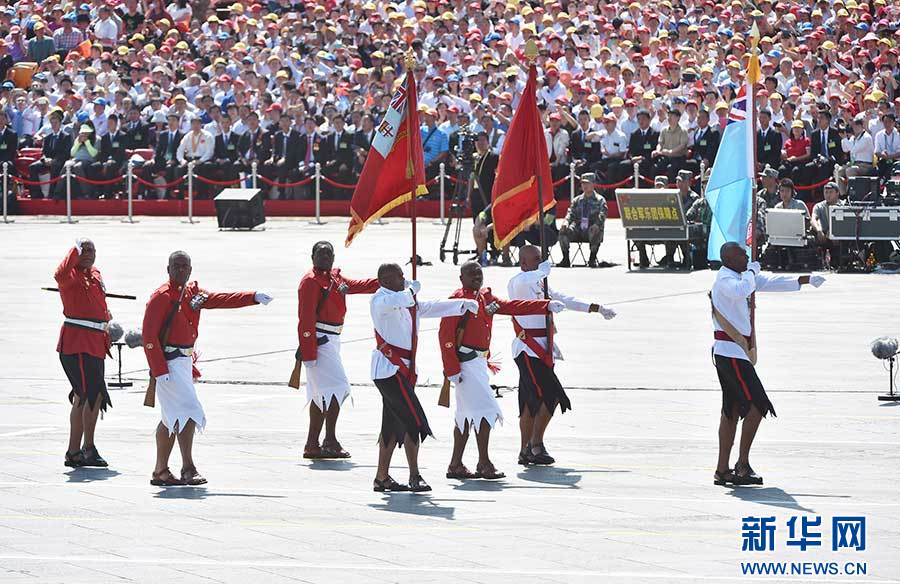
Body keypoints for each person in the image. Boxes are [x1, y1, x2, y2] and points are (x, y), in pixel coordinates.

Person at [142, 251, 273, 486]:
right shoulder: (161, 296)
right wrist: (160, 372)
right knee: (190, 411)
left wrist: (252, 297)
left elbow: (223, 299)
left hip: (183, 362)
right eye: (176, 266)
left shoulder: (192, 293)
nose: (181, 270)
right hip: (168, 364)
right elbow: (149, 337)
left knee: (169, 417)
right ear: (168, 269)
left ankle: (160, 471)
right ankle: (188, 468)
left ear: (191, 270)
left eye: (185, 266)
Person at [711, 242, 825, 486]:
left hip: (734, 353)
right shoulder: (727, 279)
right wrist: (752, 271)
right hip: (731, 352)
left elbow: (771, 282)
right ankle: (742, 465)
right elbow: (743, 289)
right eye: (742, 255)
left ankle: (722, 470)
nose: (747, 256)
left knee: (730, 411)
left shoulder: (742, 275)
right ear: (729, 259)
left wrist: (806, 279)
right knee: (757, 406)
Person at [439, 261, 565, 481]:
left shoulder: (485, 297)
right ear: (462, 278)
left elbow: (512, 306)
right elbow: (445, 337)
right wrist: (451, 369)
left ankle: (456, 464)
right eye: (471, 274)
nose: (477, 277)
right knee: (487, 411)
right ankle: (484, 463)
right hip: (465, 364)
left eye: (479, 273)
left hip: (478, 363)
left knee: (465, 417)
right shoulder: (458, 299)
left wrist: (544, 306)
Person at [369, 264, 478, 492]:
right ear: (387, 281)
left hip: (404, 370)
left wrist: (461, 305)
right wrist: (410, 291)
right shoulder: (381, 300)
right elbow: (402, 301)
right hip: (389, 370)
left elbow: (428, 307)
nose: (404, 280)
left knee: (390, 424)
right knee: (414, 421)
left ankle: (381, 477)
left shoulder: (404, 298)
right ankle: (414, 475)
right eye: (400, 277)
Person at [507, 247, 615, 465]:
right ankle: (535, 445)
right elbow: (525, 281)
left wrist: (596, 308)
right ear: (524, 264)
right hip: (528, 349)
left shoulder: (539, 283)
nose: (540, 262)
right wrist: (540, 272)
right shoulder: (518, 282)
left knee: (530, 402)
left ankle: (525, 450)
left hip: (543, 350)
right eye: (535, 260)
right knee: (552, 395)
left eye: (541, 259)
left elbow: (567, 299)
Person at [296, 241, 379, 460]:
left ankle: (313, 444)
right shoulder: (310, 282)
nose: (325, 257)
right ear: (312, 256)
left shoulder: (335, 278)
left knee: (320, 393)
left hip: (333, 339)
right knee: (339, 387)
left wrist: (389, 282)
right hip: (319, 340)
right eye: (321, 254)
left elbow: (360, 285)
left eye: (328, 254)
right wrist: (309, 352)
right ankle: (329, 440)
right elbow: (305, 319)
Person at [55, 239, 112, 469]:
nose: (88, 254)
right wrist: (74, 251)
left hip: (95, 342)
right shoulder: (70, 276)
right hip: (78, 343)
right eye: (83, 251)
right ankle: (80, 450)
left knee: (93, 396)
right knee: (86, 395)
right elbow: (59, 274)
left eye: (91, 250)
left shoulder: (95, 273)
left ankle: (82, 449)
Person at [558, 173, 608, 267]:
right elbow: (570, 213)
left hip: (591, 228)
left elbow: (603, 215)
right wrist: (565, 222)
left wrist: (597, 224)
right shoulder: (577, 200)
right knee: (563, 231)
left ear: (593, 184)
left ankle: (592, 259)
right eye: (583, 183)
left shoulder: (600, 200)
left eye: (587, 183)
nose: (585, 186)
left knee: (595, 230)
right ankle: (565, 259)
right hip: (578, 228)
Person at [28, 111, 72, 199]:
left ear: (60, 123)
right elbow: (44, 152)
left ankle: (53, 194)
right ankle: (36, 194)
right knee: (32, 167)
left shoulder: (66, 136)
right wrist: (45, 159)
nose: (54, 125)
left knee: (55, 166)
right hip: (47, 160)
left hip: (59, 161)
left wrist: (53, 160)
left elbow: (66, 153)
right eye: (52, 123)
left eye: (56, 123)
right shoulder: (48, 138)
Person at [810, 182, 844, 270]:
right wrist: (819, 230)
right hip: (823, 234)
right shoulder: (819, 206)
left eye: (830, 192)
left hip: (839, 234)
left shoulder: (844, 205)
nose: (828, 195)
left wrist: (836, 233)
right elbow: (813, 219)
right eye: (826, 192)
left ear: (837, 193)